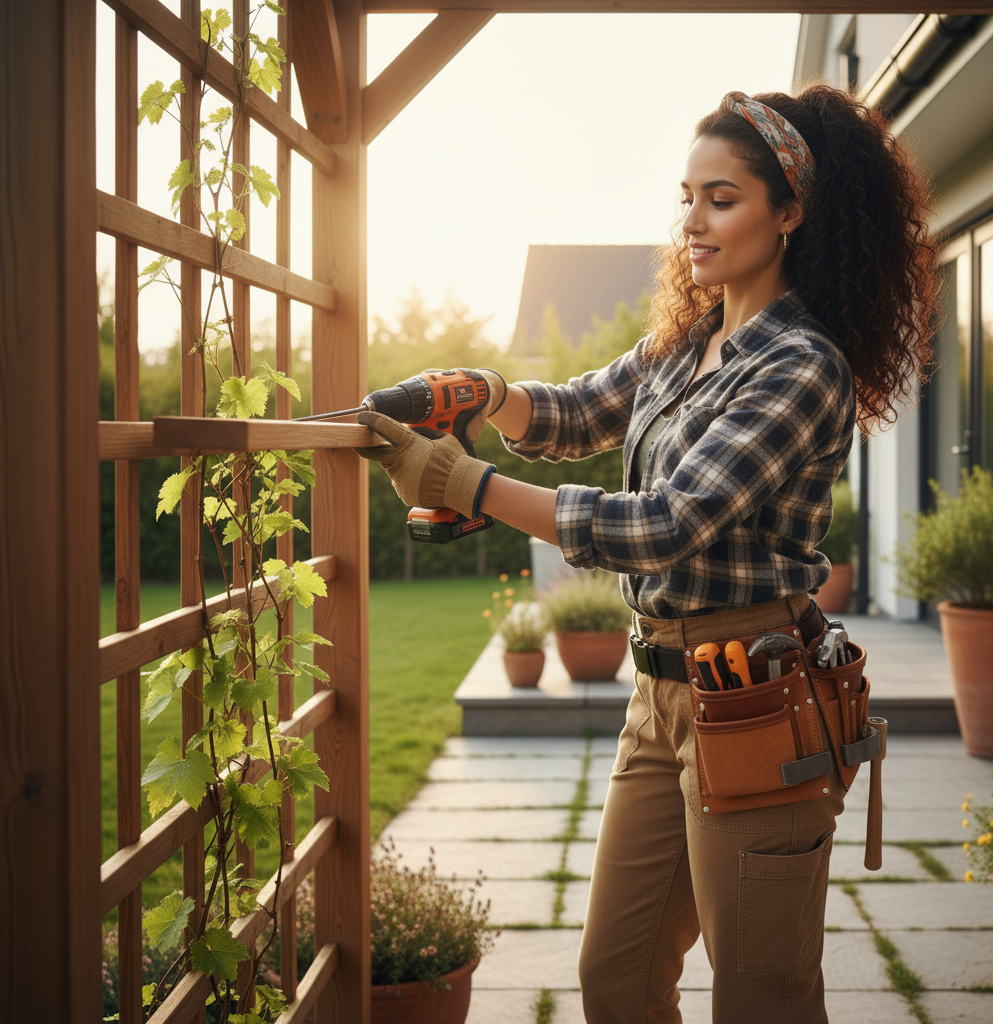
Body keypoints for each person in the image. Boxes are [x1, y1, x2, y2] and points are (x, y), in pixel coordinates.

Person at [356, 84, 938, 1023]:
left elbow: (664, 522)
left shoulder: (800, 365)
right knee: (617, 979)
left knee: (762, 999)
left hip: (759, 697)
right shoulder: (687, 343)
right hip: (660, 696)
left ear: (790, 212)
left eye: (722, 198)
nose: (692, 221)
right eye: (687, 196)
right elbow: (578, 411)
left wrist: (466, 486)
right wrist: (485, 391)